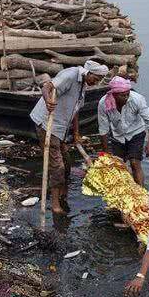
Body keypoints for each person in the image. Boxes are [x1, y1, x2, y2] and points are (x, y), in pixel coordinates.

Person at [30, 60, 109, 215]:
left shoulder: (83, 85)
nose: (96, 82)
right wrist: (48, 101)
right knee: (57, 166)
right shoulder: (70, 75)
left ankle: (63, 193)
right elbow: (47, 86)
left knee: (67, 162)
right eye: (96, 78)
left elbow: (75, 110)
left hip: (61, 128)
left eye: (99, 80)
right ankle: (54, 204)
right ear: (89, 72)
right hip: (47, 124)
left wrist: (76, 133)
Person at [98, 76, 149, 186]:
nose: (126, 98)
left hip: (136, 133)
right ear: (114, 95)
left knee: (135, 163)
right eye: (122, 95)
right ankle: (126, 193)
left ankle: (141, 193)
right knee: (119, 166)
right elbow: (103, 128)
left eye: (127, 94)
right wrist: (106, 153)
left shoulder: (136, 99)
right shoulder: (103, 104)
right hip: (118, 135)